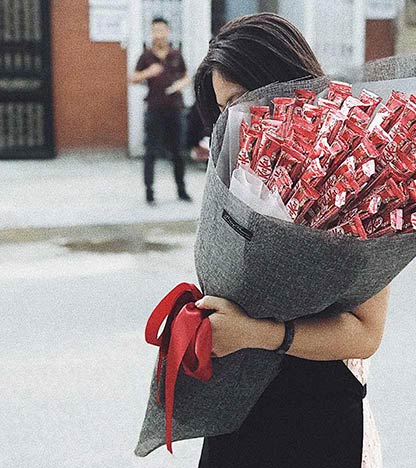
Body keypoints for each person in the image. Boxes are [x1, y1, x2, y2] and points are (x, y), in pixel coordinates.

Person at [193, 13, 389, 468]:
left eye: (242, 101)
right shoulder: (237, 176)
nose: (233, 121)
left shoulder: (354, 173)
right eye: (223, 110)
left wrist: (254, 332)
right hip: (240, 409)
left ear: (286, 83)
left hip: (320, 416)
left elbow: (365, 333)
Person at [129, 17, 192, 204]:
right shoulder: (146, 56)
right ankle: (149, 192)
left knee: (178, 152)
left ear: (168, 32)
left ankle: (181, 190)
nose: (159, 34)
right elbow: (133, 78)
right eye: (155, 30)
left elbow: (187, 76)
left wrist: (181, 84)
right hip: (154, 110)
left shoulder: (176, 55)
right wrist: (149, 72)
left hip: (175, 109)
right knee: (151, 152)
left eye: (162, 30)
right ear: (151, 33)